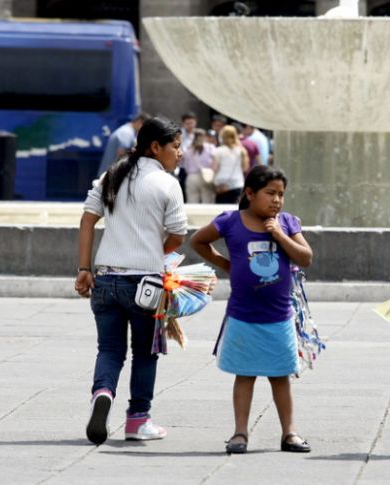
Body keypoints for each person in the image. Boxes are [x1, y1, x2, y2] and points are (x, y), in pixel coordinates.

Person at [75, 116, 187, 445]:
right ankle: (138, 419)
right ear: (156, 147)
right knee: (145, 353)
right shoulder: (168, 183)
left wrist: (84, 268)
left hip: (106, 278)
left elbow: (87, 220)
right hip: (146, 285)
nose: (180, 154)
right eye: (176, 147)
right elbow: (179, 236)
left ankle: (103, 394)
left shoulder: (113, 175)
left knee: (109, 350)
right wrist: (155, 252)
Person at [190, 165, 314, 454]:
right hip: (243, 315)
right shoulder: (231, 221)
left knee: (280, 375)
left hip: (278, 316)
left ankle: (290, 433)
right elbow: (198, 240)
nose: (276, 200)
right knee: (244, 375)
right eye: (270, 193)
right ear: (249, 193)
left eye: (281, 194)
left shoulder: (287, 222)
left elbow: (306, 258)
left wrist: (281, 236)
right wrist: (225, 264)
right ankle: (240, 433)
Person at [96, 113, 149, 177]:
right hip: (109, 176)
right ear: (139, 122)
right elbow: (121, 153)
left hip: (108, 174)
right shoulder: (127, 132)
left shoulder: (127, 130)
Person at [212, 125, 249, 204]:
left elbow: (214, 168)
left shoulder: (218, 151)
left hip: (221, 184)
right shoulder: (242, 151)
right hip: (238, 183)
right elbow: (245, 168)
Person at [183, 128, 216, 203]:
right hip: (206, 176)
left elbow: (184, 164)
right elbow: (215, 162)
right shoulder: (211, 148)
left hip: (191, 177)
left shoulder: (188, 150)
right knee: (207, 202)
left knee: (192, 202)